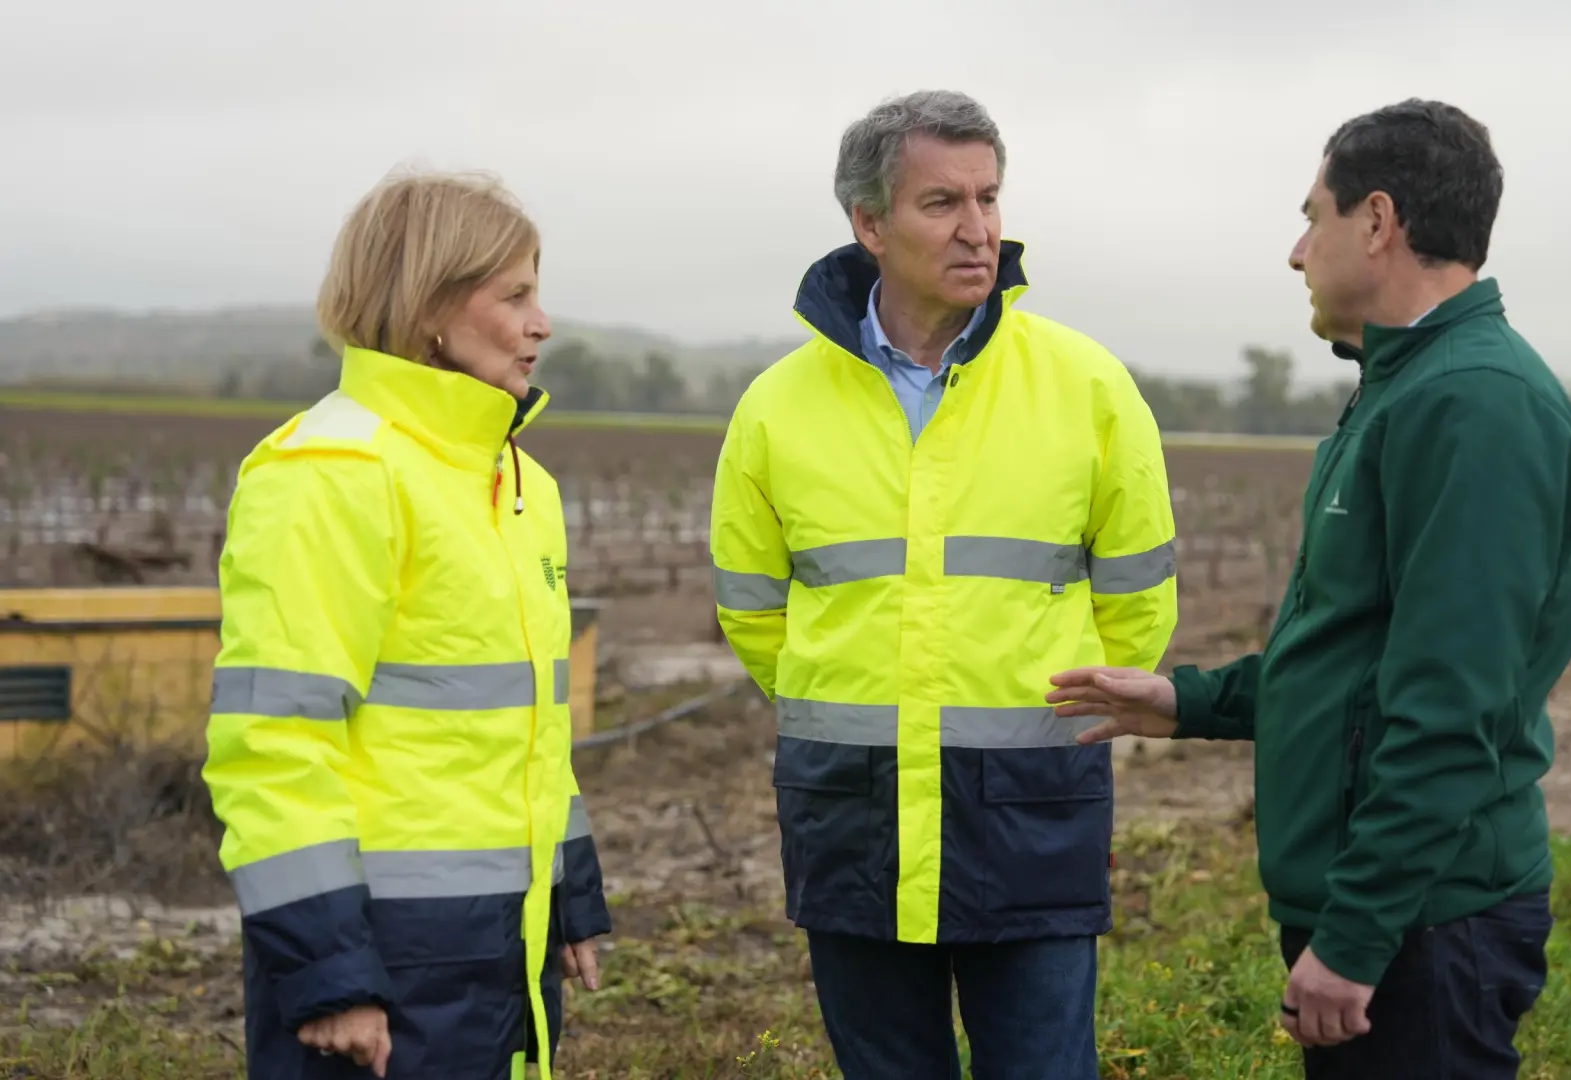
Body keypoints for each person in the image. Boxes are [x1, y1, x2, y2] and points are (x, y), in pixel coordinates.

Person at [1048, 99, 1571, 1079]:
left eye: (1314, 218)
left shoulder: (1474, 405)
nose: (1297, 252)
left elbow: (1450, 707)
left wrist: (1355, 938)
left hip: (1428, 921)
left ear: (1378, 221)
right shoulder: (1401, 388)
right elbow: (1352, 659)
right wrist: (1186, 702)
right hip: (1393, 913)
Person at [709, 89, 1178, 1079]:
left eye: (989, 197)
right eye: (942, 203)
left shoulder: (1089, 387)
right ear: (869, 224)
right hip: (852, 813)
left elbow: (1137, 604)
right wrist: (854, 701)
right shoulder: (775, 408)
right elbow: (752, 613)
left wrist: (1049, 723)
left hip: (1032, 810)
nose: (978, 229)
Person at [202, 169, 612, 1079]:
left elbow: (530, 731)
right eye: (515, 296)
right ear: (428, 306)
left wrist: (567, 892)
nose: (543, 323)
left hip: (502, 943)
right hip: (379, 964)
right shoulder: (330, 473)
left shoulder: (519, 484)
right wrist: (330, 973)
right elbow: (273, 742)